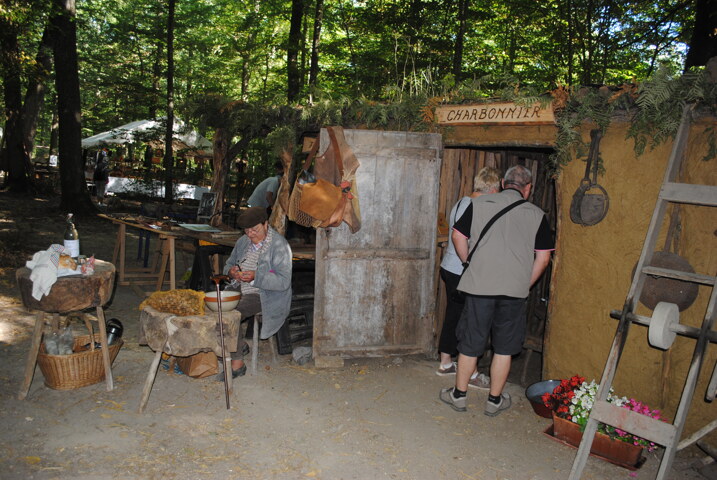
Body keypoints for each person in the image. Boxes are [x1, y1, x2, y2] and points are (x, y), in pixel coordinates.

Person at [439, 165, 554, 416]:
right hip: (514, 290)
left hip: (480, 285)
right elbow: (543, 259)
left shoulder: (477, 205)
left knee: (470, 342)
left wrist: (469, 262)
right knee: (504, 347)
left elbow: (458, 236)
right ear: (528, 188)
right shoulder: (537, 215)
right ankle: (494, 400)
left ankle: (459, 395)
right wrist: (524, 282)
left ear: (503, 183)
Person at [436, 167, 501, 392]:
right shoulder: (476, 207)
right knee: (469, 321)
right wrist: (470, 264)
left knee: (454, 316)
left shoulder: (461, 202)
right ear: (493, 188)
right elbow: (464, 239)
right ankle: (470, 372)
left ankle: (446, 362)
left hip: (450, 267)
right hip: (462, 270)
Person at [219, 207, 292, 380]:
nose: (251, 234)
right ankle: (238, 343)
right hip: (239, 287)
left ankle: (237, 364)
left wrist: (255, 277)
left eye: (255, 230)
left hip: (265, 294)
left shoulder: (279, 245)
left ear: (266, 224)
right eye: (247, 230)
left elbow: (283, 281)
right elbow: (228, 264)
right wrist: (232, 272)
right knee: (215, 306)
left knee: (232, 315)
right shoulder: (243, 242)